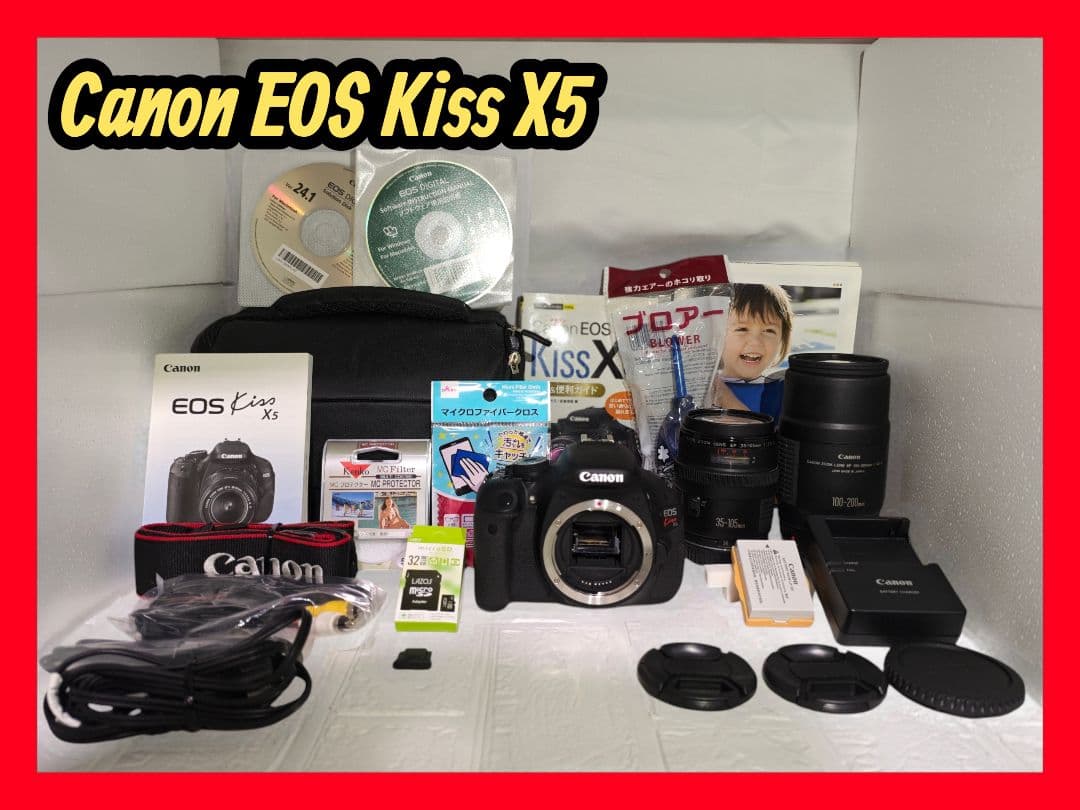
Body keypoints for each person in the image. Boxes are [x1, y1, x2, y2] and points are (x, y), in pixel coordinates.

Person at [708, 283, 795, 422]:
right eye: (742, 329)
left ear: (782, 338)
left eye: (769, 331)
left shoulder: (783, 391)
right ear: (715, 333)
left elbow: (759, 432)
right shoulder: (702, 389)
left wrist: (723, 394)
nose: (755, 342)